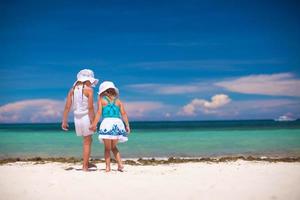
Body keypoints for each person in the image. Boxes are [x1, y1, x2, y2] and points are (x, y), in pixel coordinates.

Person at [61, 69, 98, 171]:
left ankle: (86, 162)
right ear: (87, 80)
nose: (91, 83)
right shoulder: (89, 90)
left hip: (76, 118)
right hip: (86, 117)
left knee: (85, 140)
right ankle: (85, 166)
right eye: (90, 81)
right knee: (88, 141)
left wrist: (64, 121)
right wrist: (94, 122)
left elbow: (67, 107)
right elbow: (90, 108)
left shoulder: (72, 90)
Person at [90, 81, 130, 172]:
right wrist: (127, 125)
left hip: (107, 123)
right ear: (114, 91)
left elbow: (99, 113)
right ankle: (120, 164)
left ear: (104, 92)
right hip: (117, 124)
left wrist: (94, 125)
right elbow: (123, 114)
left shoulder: (102, 101)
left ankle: (108, 167)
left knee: (107, 148)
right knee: (113, 147)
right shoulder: (119, 101)